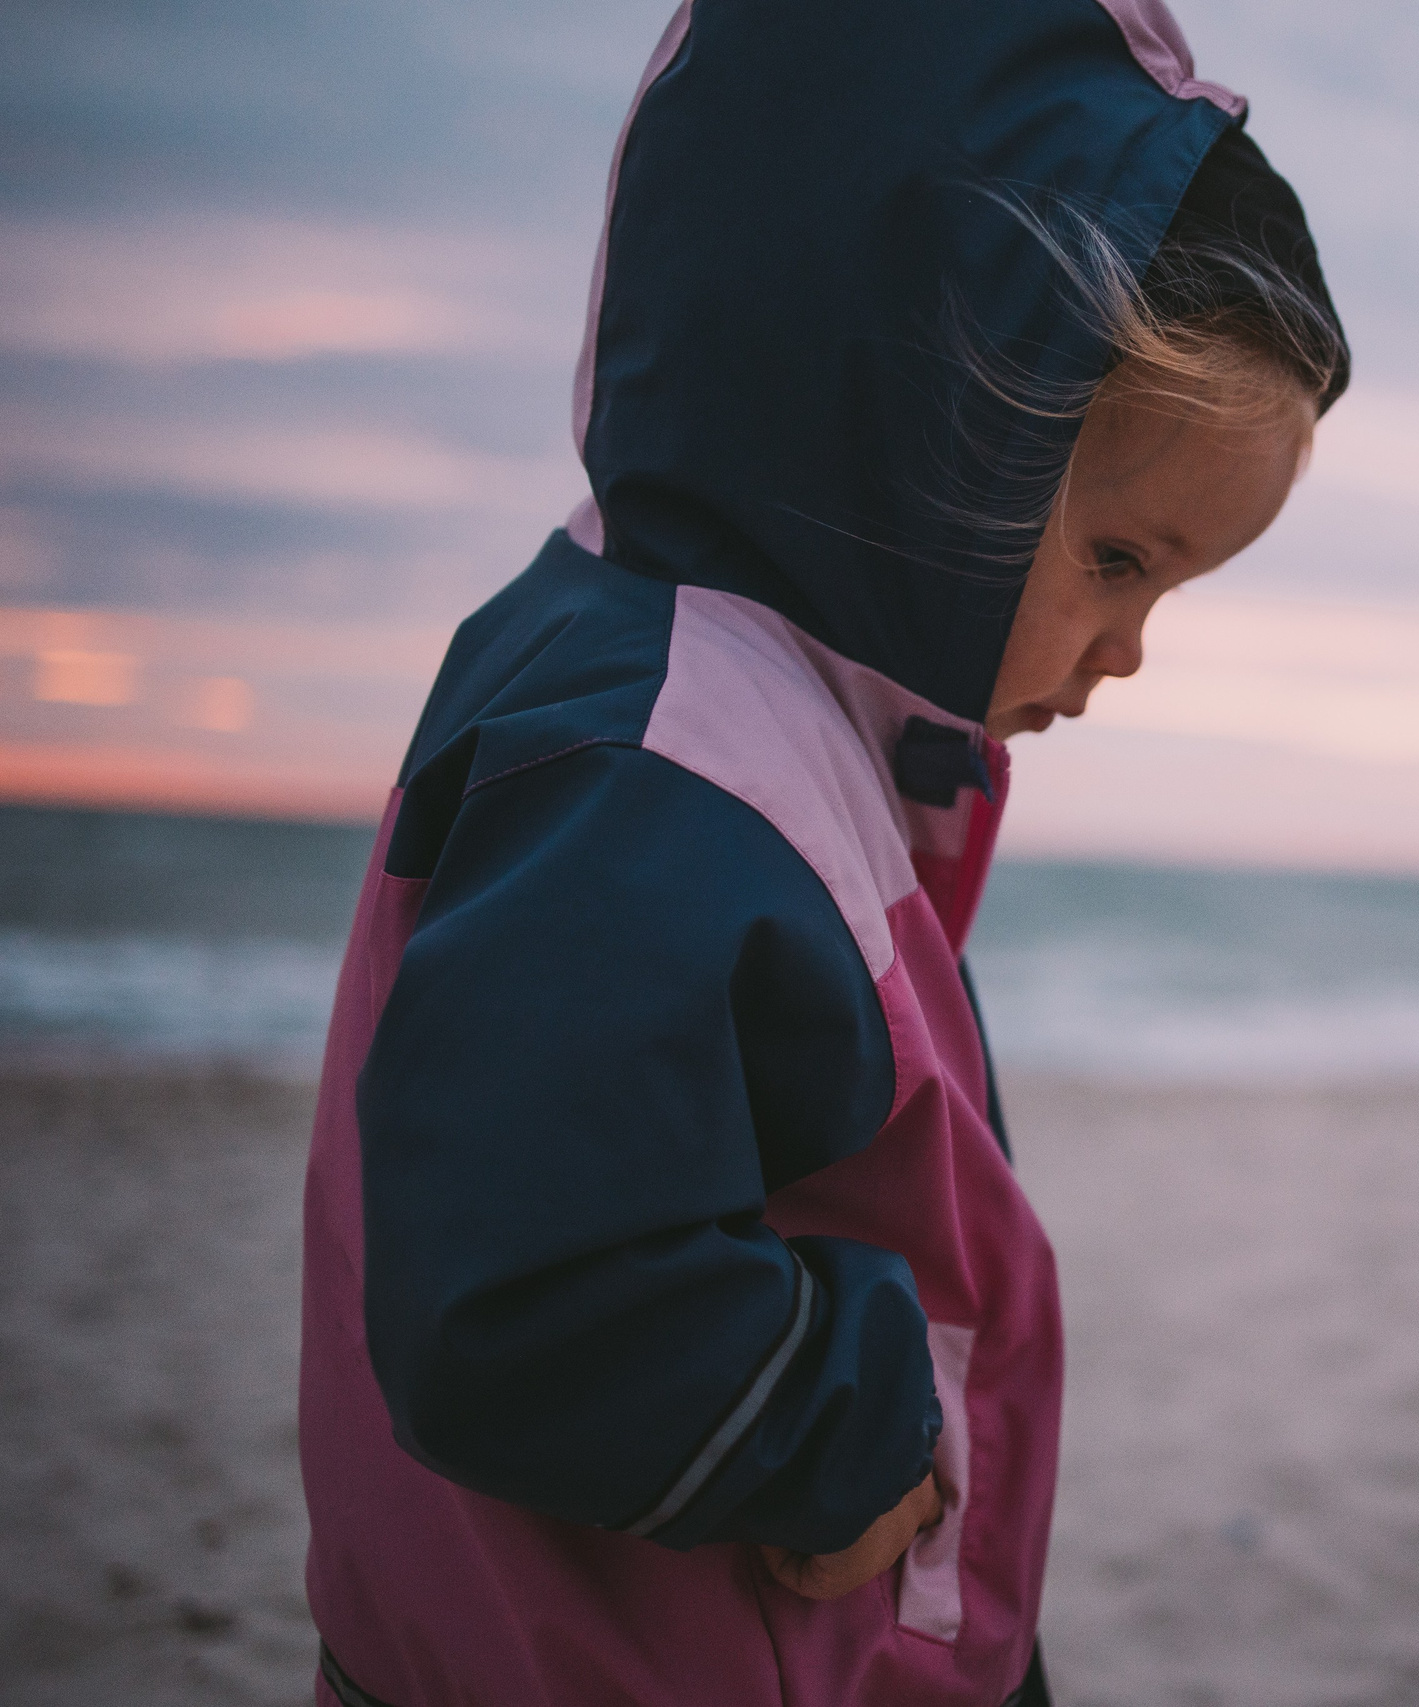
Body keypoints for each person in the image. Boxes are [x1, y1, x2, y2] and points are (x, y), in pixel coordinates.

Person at [295, 2, 1347, 1702]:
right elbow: (519, 1291)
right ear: (933, 418)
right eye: (1119, 555)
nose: (1131, 646)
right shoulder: (661, 754)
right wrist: (858, 1418)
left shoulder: (779, 706)